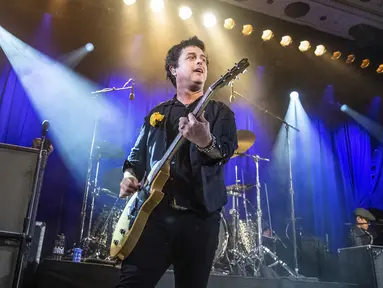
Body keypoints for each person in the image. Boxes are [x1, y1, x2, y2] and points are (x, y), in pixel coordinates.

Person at [117, 36, 238, 288]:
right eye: (192, 57)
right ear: (174, 69)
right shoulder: (156, 113)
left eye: (203, 59)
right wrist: (128, 177)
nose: (200, 62)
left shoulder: (220, 113)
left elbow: (225, 152)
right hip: (153, 217)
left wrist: (206, 142)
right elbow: (134, 159)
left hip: (200, 220)